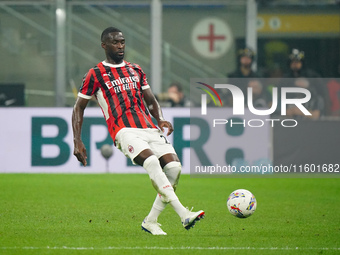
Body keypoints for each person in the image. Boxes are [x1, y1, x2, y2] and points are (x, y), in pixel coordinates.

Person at [72, 27, 204, 236]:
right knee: (151, 162)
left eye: (123, 41)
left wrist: (160, 119)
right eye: (115, 42)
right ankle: (183, 214)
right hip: (124, 130)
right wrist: (77, 140)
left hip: (149, 128)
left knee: (174, 169)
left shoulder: (135, 69)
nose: (120, 46)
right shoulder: (95, 74)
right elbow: (79, 107)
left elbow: (151, 100)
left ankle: (150, 222)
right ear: (104, 45)